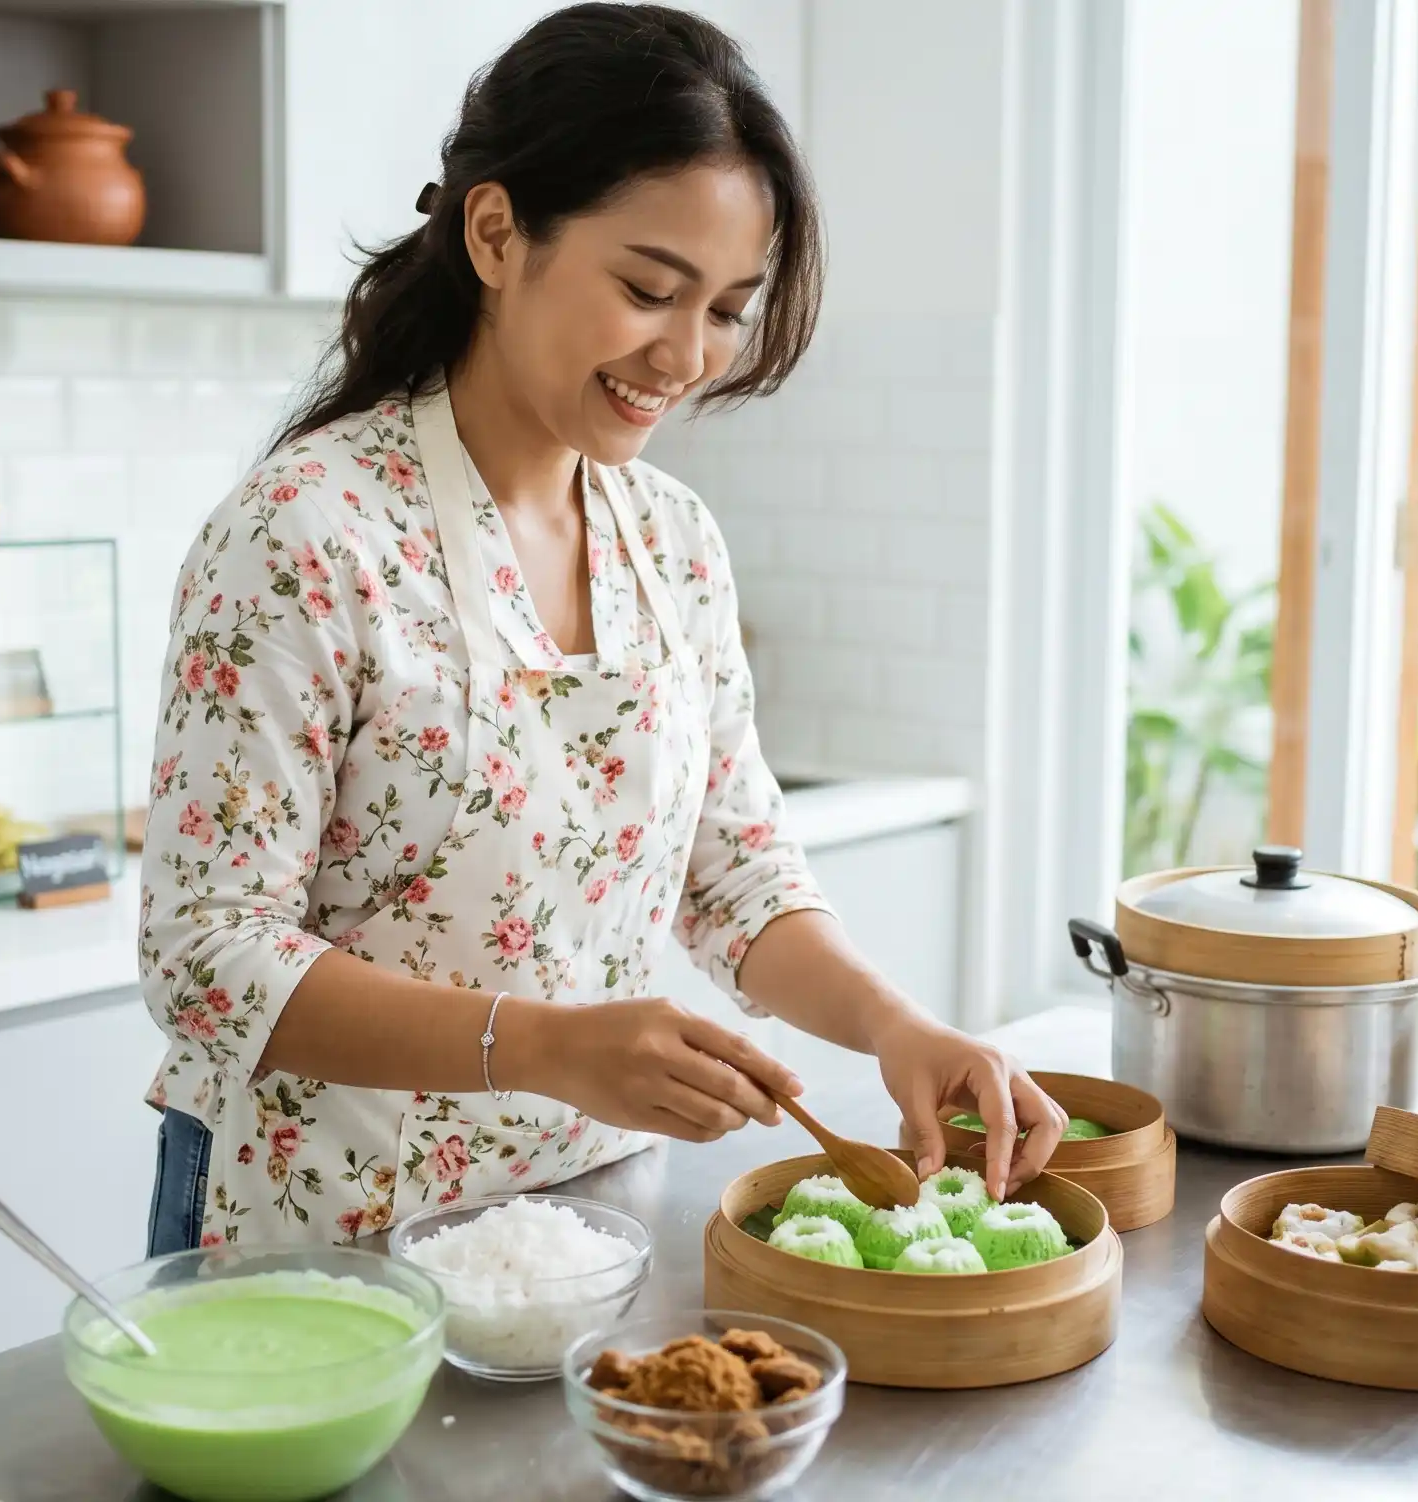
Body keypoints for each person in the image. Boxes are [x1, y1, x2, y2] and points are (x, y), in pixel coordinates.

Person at [138, 1, 1063, 1255]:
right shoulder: (306, 532)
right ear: (496, 232)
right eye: (647, 288)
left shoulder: (672, 539)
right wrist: (551, 1045)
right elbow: (204, 956)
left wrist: (897, 1026)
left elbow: (735, 874)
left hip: (571, 1232)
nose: (686, 354)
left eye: (729, 307)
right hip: (322, 1235)